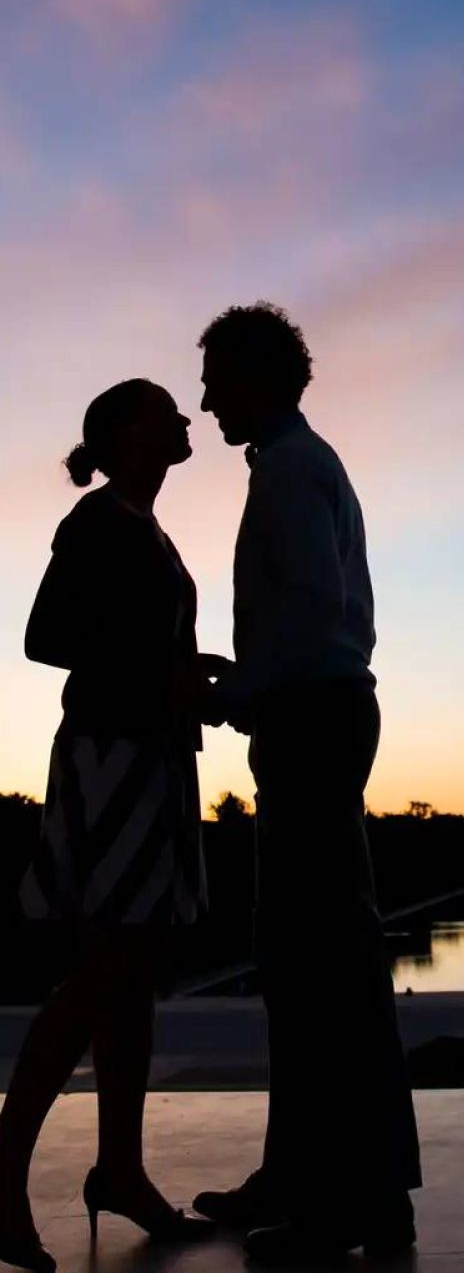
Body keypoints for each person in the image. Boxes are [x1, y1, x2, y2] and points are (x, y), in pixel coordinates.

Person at [191, 301, 421, 1263]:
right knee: (307, 957)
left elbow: (314, 615)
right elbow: (319, 618)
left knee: (322, 961)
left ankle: (351, 1203)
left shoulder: (290, 472)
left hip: (312, 720)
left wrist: (241, 687)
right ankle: (311, 1179)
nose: (204, 402)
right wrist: (244, 684)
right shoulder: (297, 465)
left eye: (215, 382)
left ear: (254, 379)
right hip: (318, 714)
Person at [0, 380, 214, 1273]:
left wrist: (186, 673)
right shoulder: (97, 524)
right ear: (127, 433)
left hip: (147, 762)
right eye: (167, 410)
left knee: (127, 981)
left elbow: (130, 643)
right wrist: (159, 671)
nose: (185, 419)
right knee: (104, 973)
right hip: (111, 763)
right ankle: (1, 1173)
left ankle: (120, 1169)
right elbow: (45, 635)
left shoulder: (142, 528)